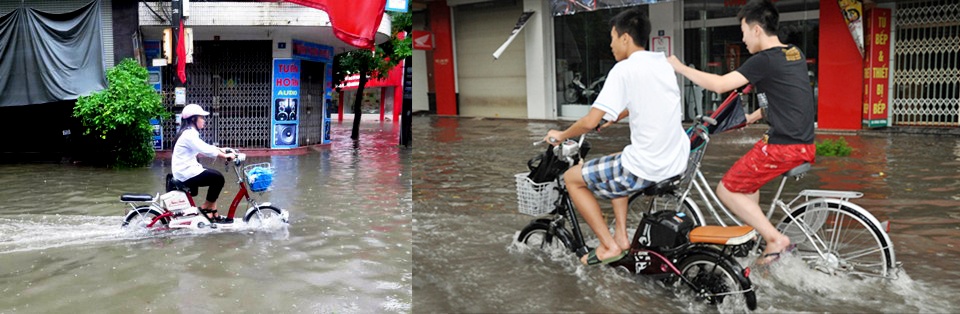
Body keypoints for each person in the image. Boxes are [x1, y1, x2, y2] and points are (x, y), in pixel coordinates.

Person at [665, 0, 816, 265]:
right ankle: (758, 237)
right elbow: (787, 95)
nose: (743, 38)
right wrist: (752, 117)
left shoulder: (763, 60)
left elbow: (720, 84)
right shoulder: (794, 52)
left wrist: (679, 67)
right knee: (746, 186)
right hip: (803, 143)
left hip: (783, 146)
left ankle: (774, 238)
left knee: (726, 190)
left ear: (757, 29)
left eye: (744, 30)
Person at [544, 8, 690, 266]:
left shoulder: (623, 69)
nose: (610, 45)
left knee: (571, 178)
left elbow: (589, 121)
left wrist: (560, 135)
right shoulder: (662, 63)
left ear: (625, 38)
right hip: (675, 159)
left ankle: (609, 245)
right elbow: (650, 99)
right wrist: (620, 114)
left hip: (647, 165)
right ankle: (621, 236)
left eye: (612, 37)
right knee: (617, 160)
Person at [172, 104, 237, 223]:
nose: (204, 120)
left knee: (215, 176)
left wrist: (221, 149)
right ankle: (206, 207)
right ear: (193, 119)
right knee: (218, 178)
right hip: (185, 173)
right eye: (201, 117)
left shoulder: (189, 133)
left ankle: (213, 212)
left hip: (187, 169)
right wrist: (225, 155)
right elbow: (205, 150)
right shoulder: (189, 134)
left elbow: (204, 146)